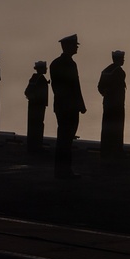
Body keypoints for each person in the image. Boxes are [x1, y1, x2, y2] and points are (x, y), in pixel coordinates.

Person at [50, 34, 86, 178]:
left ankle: (60, 169)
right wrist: (80, 104)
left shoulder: (55, 63)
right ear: (68, 47)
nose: (76, 48)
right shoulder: (70, 64)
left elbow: (56, 87)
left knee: (63, 138)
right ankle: (65, 170)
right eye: (74, 45)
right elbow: (74, 87)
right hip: (69, 107)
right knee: (67, 138)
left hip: (61, 105)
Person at [98, 50, 127, 159]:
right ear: (118, 59)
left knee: (106, 128)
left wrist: (106, 94)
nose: (123, 60)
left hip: (107, 104)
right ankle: (116, 151)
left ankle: (105, 150)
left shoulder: (106, 70)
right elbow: (118, 88)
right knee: (117, 128)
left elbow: (100, 87)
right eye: (122, 58)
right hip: (117, 105)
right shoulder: (119, 71)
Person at [24, 61, 49, 154]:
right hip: (39, 106)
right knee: (38, 125)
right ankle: (37, 146)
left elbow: (27, 92)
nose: (46, 69)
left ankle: (32, 146)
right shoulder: (41, 79)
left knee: (32, 126)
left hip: (32, 106)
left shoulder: (34, 78)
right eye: (45, 68)